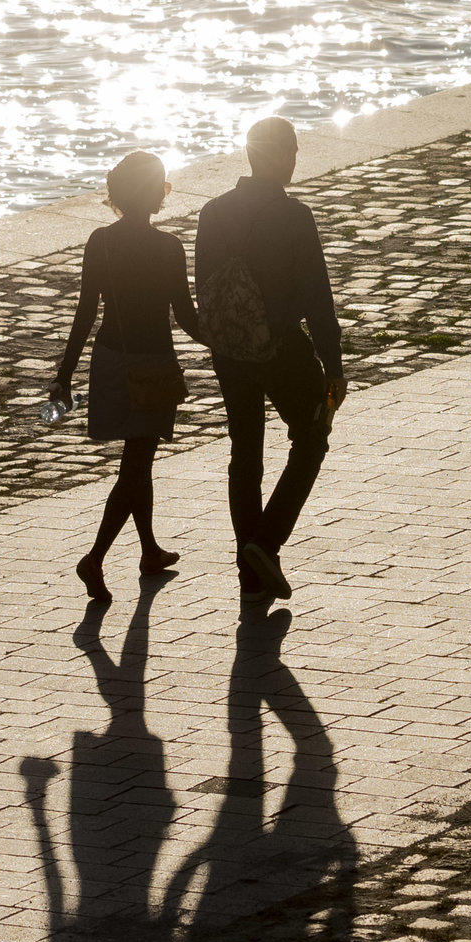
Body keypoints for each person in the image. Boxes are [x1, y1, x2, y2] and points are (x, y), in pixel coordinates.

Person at [190, 117, 347, 599]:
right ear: (278, 156)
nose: (295, 160)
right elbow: (318, 299)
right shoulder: (293, 216)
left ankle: (249, 574)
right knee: (311, 437)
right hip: (281, 347)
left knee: (246, 454)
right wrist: (334, 367)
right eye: (293, 152)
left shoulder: (213, 212)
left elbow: (206, 289)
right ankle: (265, 540)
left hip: (231, 351)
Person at [53, 150, 208, 601]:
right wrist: (226, 344)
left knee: (138, 462)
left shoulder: (100, 242)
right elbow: (185, 316)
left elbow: (85, 312)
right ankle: (95, 558)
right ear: (158, 193)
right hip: (152, 363)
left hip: (110, 359)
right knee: (136, 465)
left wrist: (64, 375)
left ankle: (148, 550)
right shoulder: (167, 247)